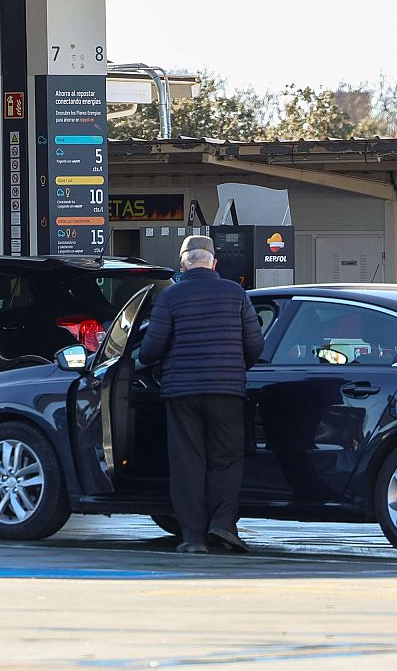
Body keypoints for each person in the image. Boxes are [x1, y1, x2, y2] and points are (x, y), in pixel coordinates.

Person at [137, 234, 265, 555]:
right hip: (226, 391)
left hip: (182, 393)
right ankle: (223, 524)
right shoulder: (236, 294)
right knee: (226, 459)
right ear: (214, 263)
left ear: (183, 263)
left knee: (187, 462)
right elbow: (255, 346)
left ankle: (193, 538)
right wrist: (235, 367)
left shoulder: (171, 297)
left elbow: (150, 350)